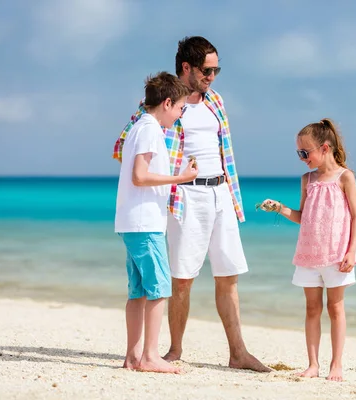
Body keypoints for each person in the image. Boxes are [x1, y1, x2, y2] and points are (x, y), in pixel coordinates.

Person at [113, 36, 270, 372]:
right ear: (187, 67)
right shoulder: (160, 106)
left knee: (229, 274)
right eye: (207, 70)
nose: (212, 76)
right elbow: (121, 149)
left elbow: (224, 150)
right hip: (185, 195)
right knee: (181, 278)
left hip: (221, 192)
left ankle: (238, 353)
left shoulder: (216, 101)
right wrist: (172, 177)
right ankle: (173, 351)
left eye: (216, 69)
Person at [259, 118, 356, 381]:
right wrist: (280, 208)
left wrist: (352, 250)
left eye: (305, 153)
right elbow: (304, 216)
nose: (302, 158)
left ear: (325, 148)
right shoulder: (307, 179)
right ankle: (313, 365)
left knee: (335, 308)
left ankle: (336, 365)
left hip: (337, 254)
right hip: (308, 254)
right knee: (311, 309)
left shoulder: (345, 177)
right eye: (299, 153)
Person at [114, 71, 198, 374]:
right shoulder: (150, 130)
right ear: (166, 103)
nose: (179, 115)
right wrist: (182, 178)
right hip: (144, 223)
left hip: (133, 222)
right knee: (160, 288)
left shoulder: (139, 127)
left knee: (138, 291)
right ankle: (149, 356)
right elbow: (140, 175)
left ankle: (133, 356)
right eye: (180, 108)